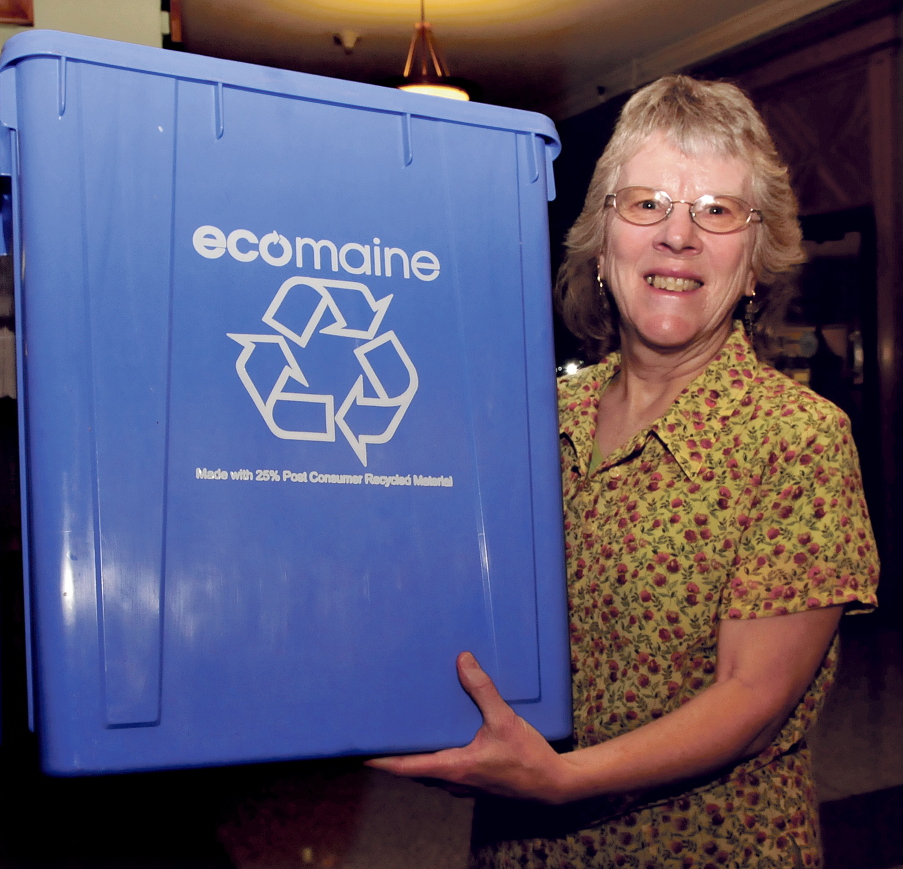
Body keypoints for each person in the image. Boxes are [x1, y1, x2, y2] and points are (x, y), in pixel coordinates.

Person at [367, 75, 879, 868]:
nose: (678, 236)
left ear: (755, 266)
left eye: (716, 210)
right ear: (602, 247)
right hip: (521, 847)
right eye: (646, 203)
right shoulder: (531, 421)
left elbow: (749, 697)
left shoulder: (797, 439)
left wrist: (563, 778)